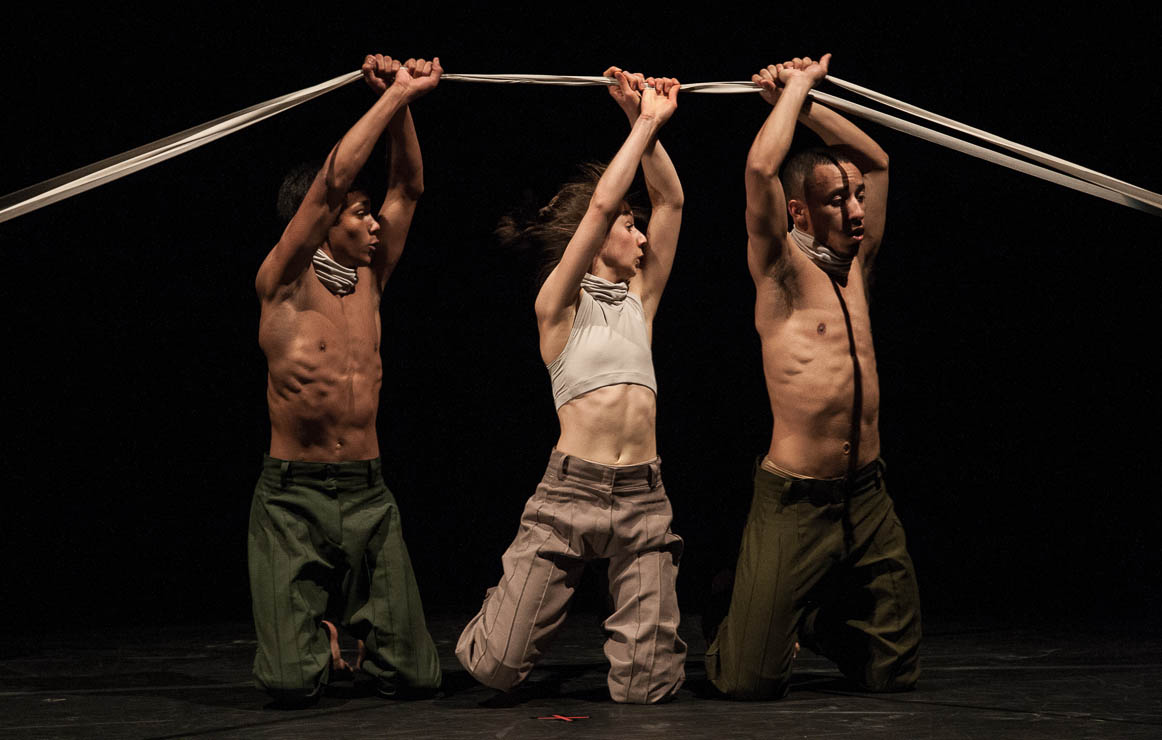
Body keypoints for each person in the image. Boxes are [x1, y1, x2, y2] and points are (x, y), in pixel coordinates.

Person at [456, 69, 685, 704]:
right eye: (628, 226)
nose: (640, 235)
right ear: (591, 238)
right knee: (494, 667)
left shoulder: (639, 303)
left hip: (643, 498)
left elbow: (672, 204)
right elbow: (605, 204)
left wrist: (641, 119)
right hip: (569, 497)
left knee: (644, 693)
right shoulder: (556, 308)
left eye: (638, 228)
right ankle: (505, 603)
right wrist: (642, 122)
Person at [705, 55, 921, 699]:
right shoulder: (779, 270)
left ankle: (814, 614)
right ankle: (738, 607)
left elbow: (878, 160)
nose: (857, 209)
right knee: (746, 682)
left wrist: (805, 102)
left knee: (893, 673)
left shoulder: (858, 262)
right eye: (838, 199)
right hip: (797, 499)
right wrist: (789, 96)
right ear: (799, 213)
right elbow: (759, 169)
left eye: (855, 197)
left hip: (868, 496)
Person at [248, 54, 443, 705]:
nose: (373, 222)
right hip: (292, 501)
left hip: (368, 493)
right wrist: (388, 98)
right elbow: (332, 182)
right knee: (288, 686)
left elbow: (409, 188)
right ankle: (322, 627)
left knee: (416, 678)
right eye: (360, 214)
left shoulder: (370, 280)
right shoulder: (280, 282)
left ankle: (358, 618)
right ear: (322, 225)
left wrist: (404, 101)